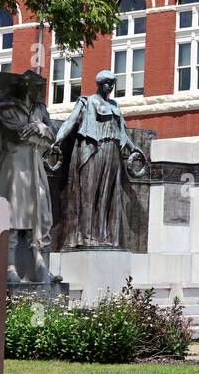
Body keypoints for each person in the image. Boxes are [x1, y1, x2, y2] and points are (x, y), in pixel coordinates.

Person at [0, 70, 56, 283]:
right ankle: (9, 267)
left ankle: (40, 264)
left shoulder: (40, 110)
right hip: (15, 165)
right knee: (12, 215)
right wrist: (38, 132)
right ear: (27, 87)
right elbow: (16, 133)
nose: (40, 91)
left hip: (35, 165)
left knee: (40, 215)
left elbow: (52, 135)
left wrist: (39, 127)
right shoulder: (7, 108)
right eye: (37, 87)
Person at [53, 70, 145, 249]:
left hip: (113, 152)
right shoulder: (87, 101)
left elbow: (122, 133)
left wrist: (133, 148)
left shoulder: (114, 104)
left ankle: (103, 236)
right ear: (99, 83)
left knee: (107, 196)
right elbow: (70, 121)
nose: (111, 86)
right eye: (108, 82)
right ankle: (86, 236)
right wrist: (58, 140)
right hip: (94, 149)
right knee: (89, 194)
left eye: (113, 83)